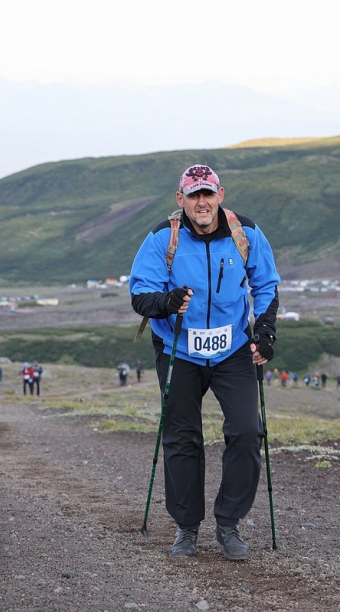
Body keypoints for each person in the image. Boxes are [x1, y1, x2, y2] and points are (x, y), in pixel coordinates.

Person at [129, 163, 280, 561]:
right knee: (182, 439)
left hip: (232, 349)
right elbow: (140, 293)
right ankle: (187, 528)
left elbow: (266, 284)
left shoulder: (244, 233)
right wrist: (166, 301)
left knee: (248, 432)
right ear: (180, 200)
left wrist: (265, 331)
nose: (201, 202)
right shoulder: (163, 237)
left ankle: (228, 523)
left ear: (220, 195)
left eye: (207, 193)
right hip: (179, 348)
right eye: (193, 195)